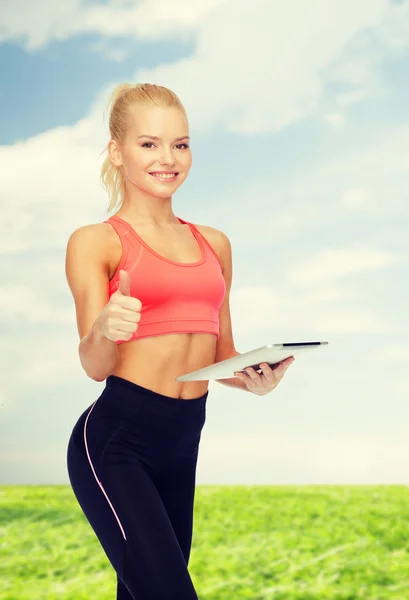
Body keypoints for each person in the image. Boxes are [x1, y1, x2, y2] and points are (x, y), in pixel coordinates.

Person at [65, 82, 295, 600]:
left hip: (183, 440)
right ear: (116, 152)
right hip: (116, 442)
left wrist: (254, 377)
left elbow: (222, 356)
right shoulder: (96, 241)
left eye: (180, 144)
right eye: (149, 144)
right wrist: (104, 328)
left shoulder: (213, 243)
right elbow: (94, 365)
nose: (167, 158)